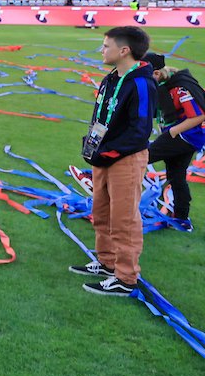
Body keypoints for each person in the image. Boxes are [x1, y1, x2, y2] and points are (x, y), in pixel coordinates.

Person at [71, 26, 158, 296]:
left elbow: (140, 130)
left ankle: (126, 276)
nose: (101, 50)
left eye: (106, 46)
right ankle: (107, 262)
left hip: (125, 159)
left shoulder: (142, 83)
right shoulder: (110, 79)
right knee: (102, 212)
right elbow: (100, 117)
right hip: (103, 155)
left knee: (124, 218)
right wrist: (91, 144)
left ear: (124, 50)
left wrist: (109, 152)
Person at [145, 52, 204, 232]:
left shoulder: (180, 88)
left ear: (156, 74)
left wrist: (172, 132)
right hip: (186, 136)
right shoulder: (164, 84)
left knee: (139, 158)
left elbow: (199, 115)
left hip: (186, 136)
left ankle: (110, 198)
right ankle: (182, 219)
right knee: (176, 175)